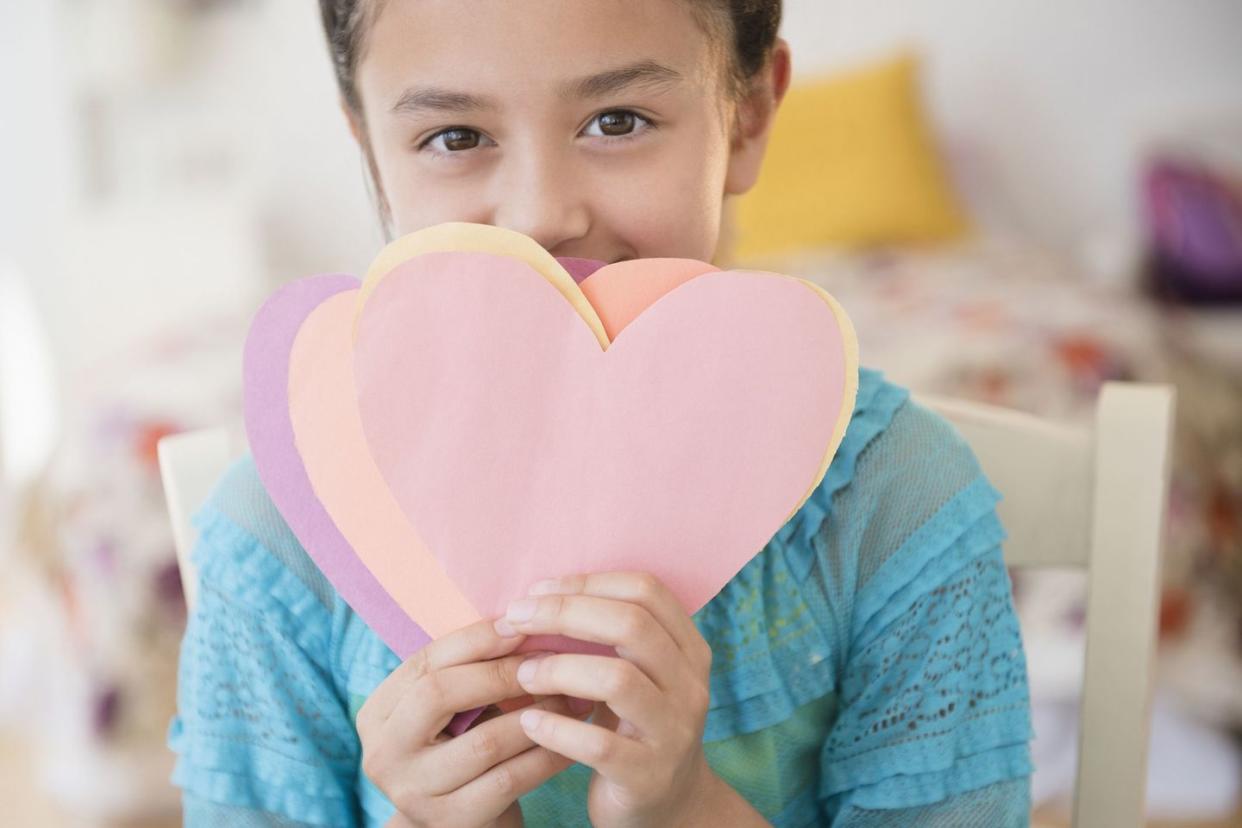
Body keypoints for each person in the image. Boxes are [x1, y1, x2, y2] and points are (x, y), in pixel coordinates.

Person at [168, 1, 1034, 825]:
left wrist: (684, 810)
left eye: (617, 120)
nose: (544, 216)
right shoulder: (279, 538)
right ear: (367, 145)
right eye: (455, 137)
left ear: (751, 112)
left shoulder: (895, 504)